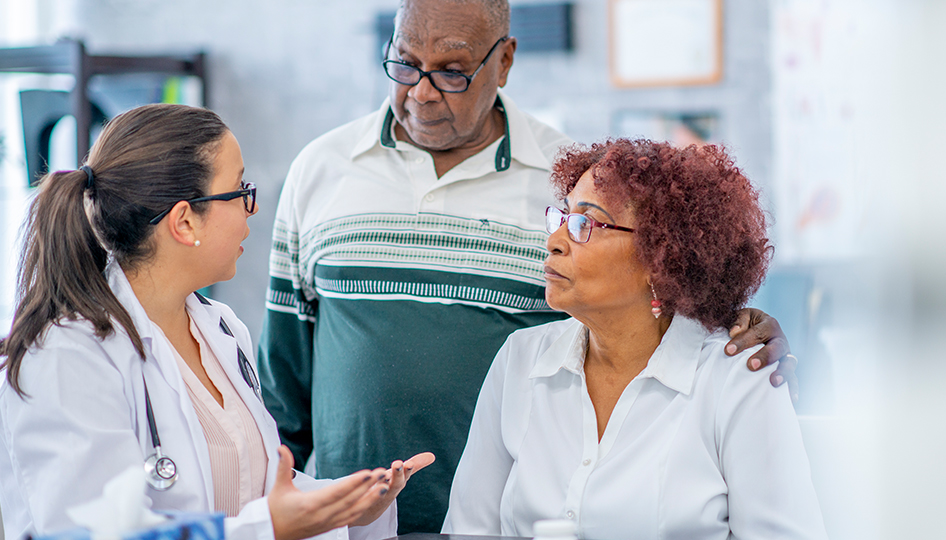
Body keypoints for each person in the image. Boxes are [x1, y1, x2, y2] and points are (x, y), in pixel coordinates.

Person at [258, 0, 796, 533]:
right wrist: (269, 515)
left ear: (505, 60)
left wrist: (730, 322)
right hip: (347, 522)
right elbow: (282, 383)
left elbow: (650, 303)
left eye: (450, 72)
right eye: (403, 63)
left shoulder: (566, 175)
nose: (420, 92)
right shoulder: (319, 170)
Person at [0, 104, 433, 540]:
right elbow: (91, 532)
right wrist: (273, 527)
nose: (252, 207)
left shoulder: (220, 330)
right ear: (185, 222)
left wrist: (341, 507)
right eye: (239, 189)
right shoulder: (65, 355)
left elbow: (247, 490)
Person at [442, 139, 827, 539]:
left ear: (661, 259)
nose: (555, 240)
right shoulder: (518, 360)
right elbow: (471, 529)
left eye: (585, 224)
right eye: (561, 217)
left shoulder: (739, 377)